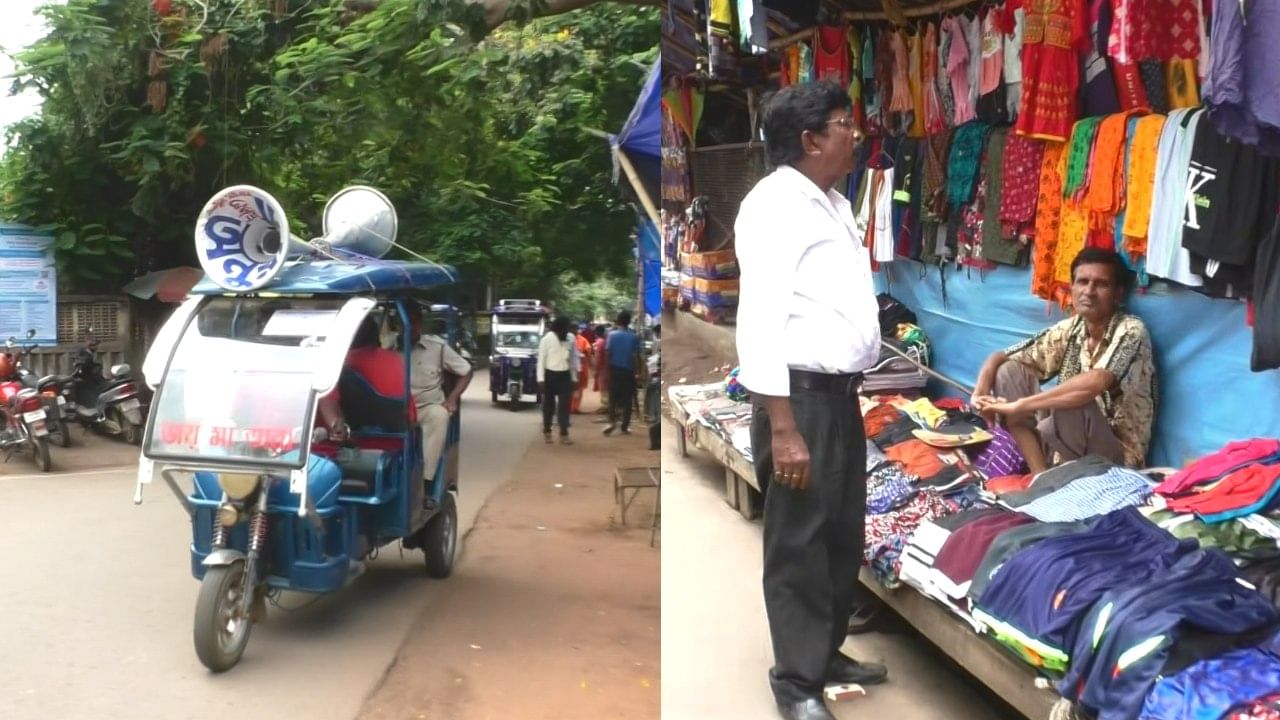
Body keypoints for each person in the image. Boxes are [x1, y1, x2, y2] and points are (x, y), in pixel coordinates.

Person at [735, 82, 888, 720]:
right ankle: (796, 684)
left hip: (838, 398)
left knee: (840, 535)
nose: (855, 130)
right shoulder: (774, 206)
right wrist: (784, 427)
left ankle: (826, 652)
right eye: (843, 122)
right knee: (799, 542)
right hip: (798, 401)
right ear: (810, 139)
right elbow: (759, 320)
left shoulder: (828, 201)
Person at [972, 247, 1157, 474]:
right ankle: (1040, 476)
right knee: (1008, 371)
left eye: (1101, 284)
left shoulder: (1131, 330)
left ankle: (1069, 484)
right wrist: (980, 392)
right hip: (1066, 446)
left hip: (1115, 460)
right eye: (1082, 282)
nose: (1089, 291)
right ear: (1072, 287)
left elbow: (1095, 382)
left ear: (1118, 294)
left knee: (1073, 398)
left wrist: (1022, 405)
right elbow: (1002, 356)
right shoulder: (1073, 327)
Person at [410, 306, 473, 484]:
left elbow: (466, 371)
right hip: (396, 409)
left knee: (439, 416)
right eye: (402, 323)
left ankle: (426, 480)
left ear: (419, 324)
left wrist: (452, 399)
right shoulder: (390, 347)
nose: (407, 328)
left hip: (426, 408)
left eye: (412, 322)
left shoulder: (436, 347)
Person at [538, 316, 579, 444]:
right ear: (558, 329)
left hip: (565, 376)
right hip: (550, 375)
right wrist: (540, 379)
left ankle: (564, 433)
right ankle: (547, 431)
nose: (567, 332)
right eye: (565, 330)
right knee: (548, 406)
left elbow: (573, 359)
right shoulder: (547, 339)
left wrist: (574, 377)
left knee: (564, 406)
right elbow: (541, 360)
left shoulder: (570, 338)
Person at [602, 310, 641, 436]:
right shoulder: (634, 337)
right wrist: (637, 372)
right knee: (628, 399)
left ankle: (612, 421)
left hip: (614, 370)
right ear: (629, 322)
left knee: (612, 397)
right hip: (628, 371)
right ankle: (625, 426)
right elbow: (635, 356)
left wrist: (608, 369)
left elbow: (608, 353)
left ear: (618, 321)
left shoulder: (611, 335)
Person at [571, 324, 592, 414]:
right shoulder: (567, 339)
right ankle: (571, 407)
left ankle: (574, 407)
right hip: (571, 368)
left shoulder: (582, 339)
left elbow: (588, 351)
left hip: (581, 368)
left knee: (578, 389)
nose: (576, 331)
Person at [593, 324, 610, 414]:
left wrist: (596, 369)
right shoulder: (605, 341)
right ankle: (606, 405)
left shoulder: (599, 342)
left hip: (602, 368)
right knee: (605, 387)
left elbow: (598, 358)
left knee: (603, 387)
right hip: (607, 367)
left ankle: (606, 406)